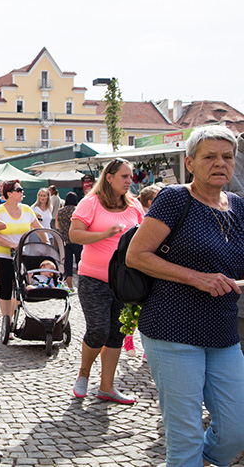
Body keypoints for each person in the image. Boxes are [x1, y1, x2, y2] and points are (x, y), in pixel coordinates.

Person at [127, 126, 244, 466]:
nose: (219, 163)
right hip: (172, 328)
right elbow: (137, 255)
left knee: (236, 428)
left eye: (227, 157)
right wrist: (198, 279)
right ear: (190, 163)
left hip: (223, 331)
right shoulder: (175, 198)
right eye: (209, 156)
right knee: (185, 433)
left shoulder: (238, 206)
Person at [69, 158, 144, 405]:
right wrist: (105, 234)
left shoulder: (134, 205)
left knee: (116, 334)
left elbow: (144, 235)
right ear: (109, 177)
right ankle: (84, 373)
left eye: (130, 176)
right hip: (93, 278)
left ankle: (107, 387)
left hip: (124, 281)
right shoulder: (90, 202)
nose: (129, 181)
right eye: (124, 176)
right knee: (98, 329)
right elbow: (74, 235)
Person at [0, 179, 43, 333]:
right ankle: (7, 321)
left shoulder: (27, 209)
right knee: (6, 288)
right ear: (9, 193)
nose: (22, 192)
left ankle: (13, 316)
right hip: (3, 255)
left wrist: (47, 245)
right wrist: (11, 245)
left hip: (23, 255)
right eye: (19, 189)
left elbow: (38, 229)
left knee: (21, 288)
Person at [121, 183, 162, 358]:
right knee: (134, 306)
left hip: (155, 269)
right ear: (152, 201)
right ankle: (129, 338)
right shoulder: (143, 218)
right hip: (138, 270)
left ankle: (148, 346)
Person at [55, 192, 82, 291]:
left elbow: (57, 226)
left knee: (68, 264)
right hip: (78, 240)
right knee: (80, 262)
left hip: (65, 240)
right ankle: (80, 285)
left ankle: (70, 286)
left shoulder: (60, 211)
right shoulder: (77, 210)